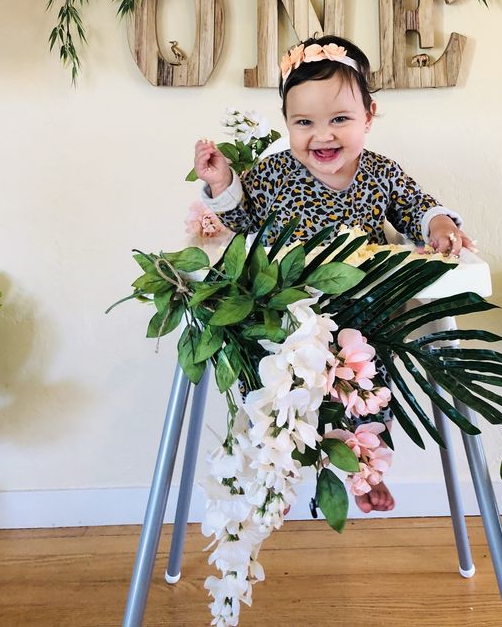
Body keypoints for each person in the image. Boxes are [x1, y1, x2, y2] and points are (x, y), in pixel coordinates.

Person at [194, 35, 476, 513]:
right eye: (304, 122)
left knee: (368, 391)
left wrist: (439, 223)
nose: (322, 136)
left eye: (339, 119)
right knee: (270, 390)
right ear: (287, 124)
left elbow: (415, 207)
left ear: (369, 116)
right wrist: (222, 184)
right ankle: (273, 474)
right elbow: (241, 221)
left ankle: (363, 466)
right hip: (286, 313)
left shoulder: (381, 172)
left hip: (362, 318)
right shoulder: (273, 173)